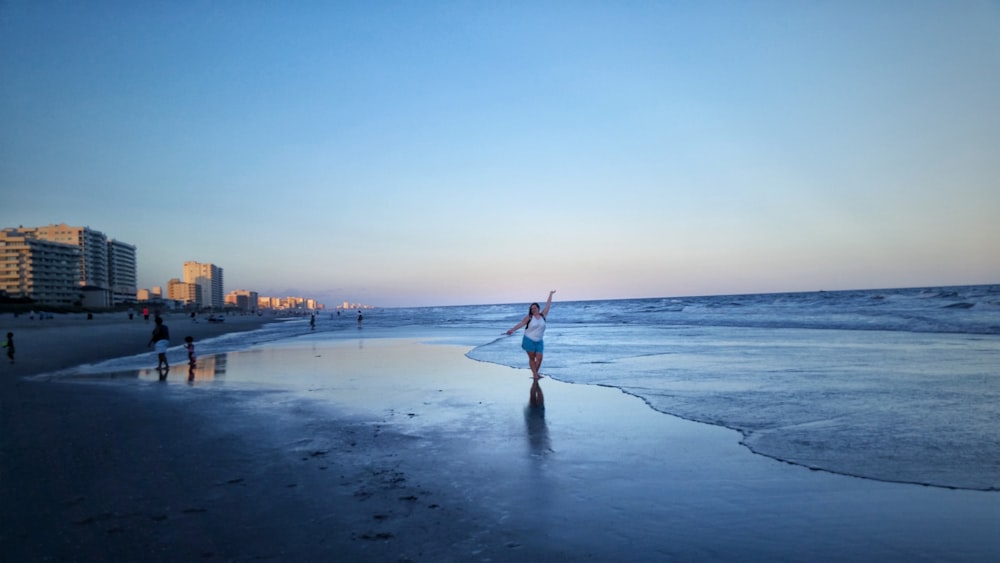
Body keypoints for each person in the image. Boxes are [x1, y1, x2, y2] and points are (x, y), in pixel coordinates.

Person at [506, 290, 556, 379]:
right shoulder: (529, 317)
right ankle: (535, 375)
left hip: (539, 341)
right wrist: (512, 330)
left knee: (539, 358)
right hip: (529, 340)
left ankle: (535, 373)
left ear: (538, 308)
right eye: (531, 308)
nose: (533, 310)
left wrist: (550, 294)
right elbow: (521, 324)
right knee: (532, 358)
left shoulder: (543, 315)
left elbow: (548, 305)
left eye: (535, 308)